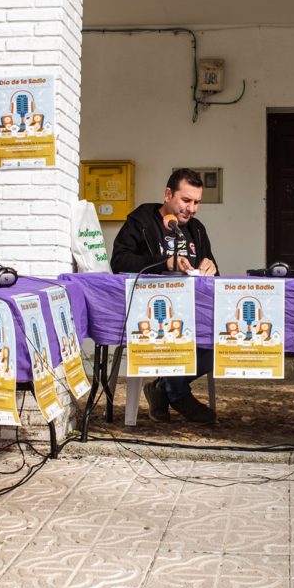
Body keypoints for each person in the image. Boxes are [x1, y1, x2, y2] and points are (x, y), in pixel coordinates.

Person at [110, 168, 217, 423]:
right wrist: (164, 263)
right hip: (150, 313)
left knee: (223, 340)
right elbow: (120, 261)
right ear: (168, 194)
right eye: (186, 200)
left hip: (191, 313)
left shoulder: (196, 229)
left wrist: (210, 266)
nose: (192, 209)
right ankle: (177, 393)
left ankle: (163, 387)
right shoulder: (141, 222)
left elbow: (210, 267)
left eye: (197, 202)